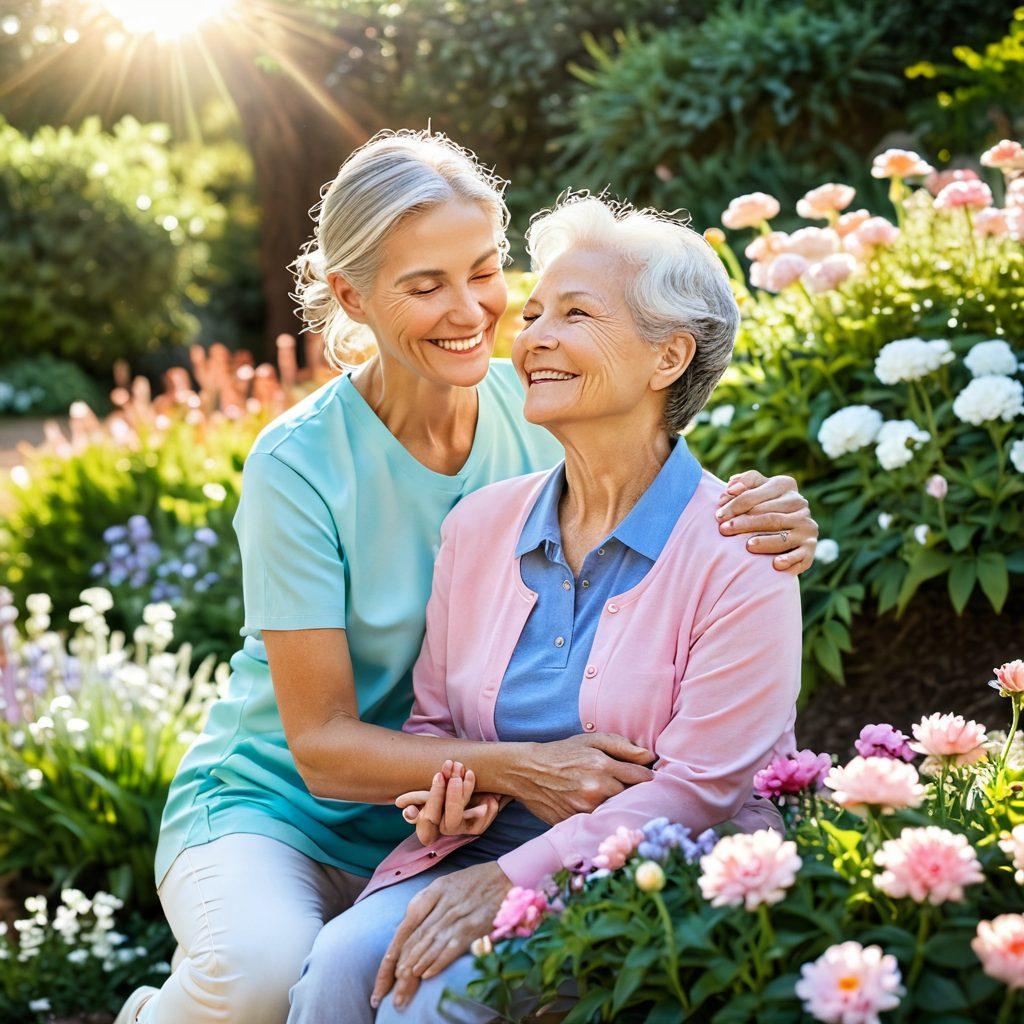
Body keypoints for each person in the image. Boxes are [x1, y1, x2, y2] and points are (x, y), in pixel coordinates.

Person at [117, 132, 817, 1024]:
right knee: (267, 974)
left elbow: (657, 471)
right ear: (353, 297)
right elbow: (323, 743)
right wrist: (518, 772)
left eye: (485, 271)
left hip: (465, 813)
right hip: (294, 803)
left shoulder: (539, 401)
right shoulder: (301, 465)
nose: (476, 311)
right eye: (425, 286)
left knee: (387, 987)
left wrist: (773, 514)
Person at [287, 192, 803, 1024]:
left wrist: (508, 881)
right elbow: (433, 728)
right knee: (335, 969)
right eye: (532, 315)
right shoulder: (479, 527)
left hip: (648, 875)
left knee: (429, 1003)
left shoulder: (742, 549)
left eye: (576, 314)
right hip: (476, 857)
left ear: (668, 356)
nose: (532, 338)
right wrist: (448, 795)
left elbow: (699, 790)